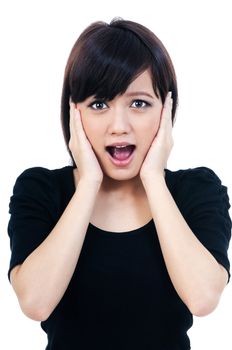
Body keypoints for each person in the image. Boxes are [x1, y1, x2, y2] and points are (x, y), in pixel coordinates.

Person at [7, 18, 231, 350]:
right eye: (99, 104)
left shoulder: (196, 190)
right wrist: (88, 184)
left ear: (166, 109)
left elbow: (203, 299)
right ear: (74, 111)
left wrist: (154, 178)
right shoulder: (41, 189)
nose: (119, 126)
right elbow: (36, 303)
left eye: (139, 103)